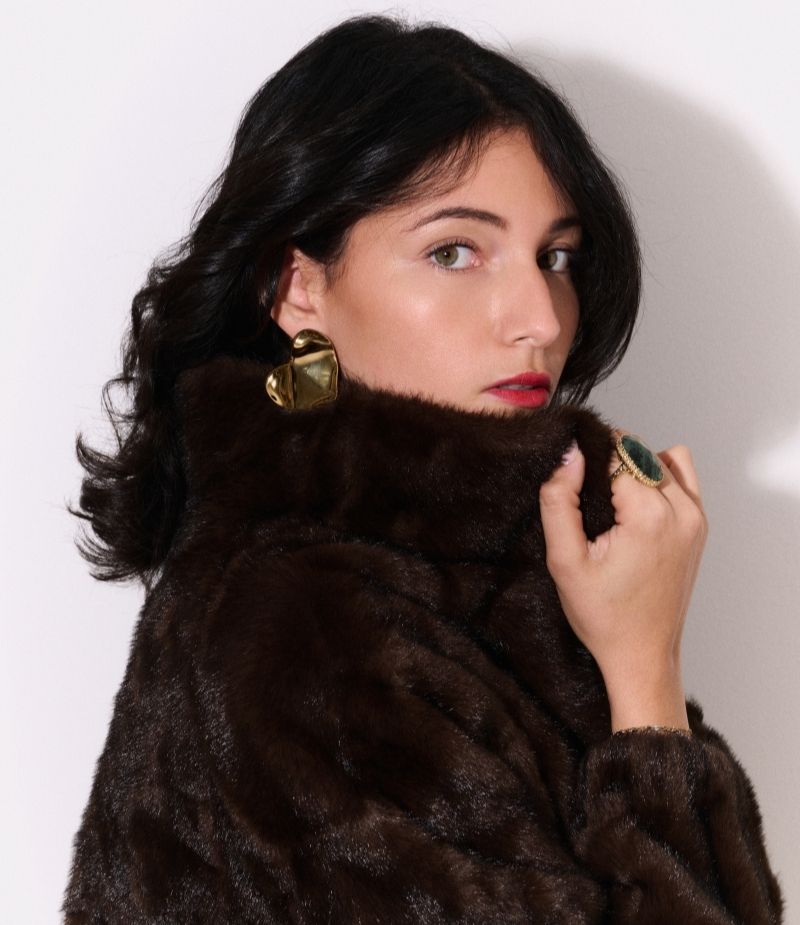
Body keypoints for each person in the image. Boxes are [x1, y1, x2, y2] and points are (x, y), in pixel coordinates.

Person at [62, 13, 785, 924]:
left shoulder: (495, 577)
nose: (541, 317)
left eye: (556, 256)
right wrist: (646, 671)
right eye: (454, 252)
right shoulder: (311, 635)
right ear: (299, 289)